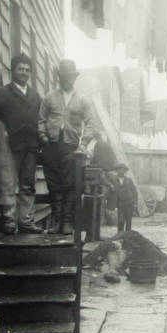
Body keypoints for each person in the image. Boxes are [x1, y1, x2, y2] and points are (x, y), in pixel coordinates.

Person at [38, 59, 97, 235]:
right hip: (52, 146)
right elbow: (41, 120)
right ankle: (56, 221)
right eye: (63, 76)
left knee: (70, 184)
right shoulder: (49, 97)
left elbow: (91, 123)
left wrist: (84, 143)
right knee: (54, 184)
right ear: (59, 77)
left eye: (69, 76)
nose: (66, 79)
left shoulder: (83, 100)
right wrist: (43, 137)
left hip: (71, 147)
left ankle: (67, 222)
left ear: (74, 77)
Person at [0, 54, 42, 234]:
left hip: (31, 147)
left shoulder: (35, 96)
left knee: (28, 184)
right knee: (9, 183)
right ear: (13, 71)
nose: (24, 73)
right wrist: (3, 135)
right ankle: (10, 221)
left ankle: (25, 221)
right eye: (21, 69)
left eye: (27, 70)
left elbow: (40, 120)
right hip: (11, 146)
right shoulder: (4, 93)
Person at [107, 163, 138, 233]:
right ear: (117, 170)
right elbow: (108, 191)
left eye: (123, 170)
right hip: (120, 204)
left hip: (129, 203)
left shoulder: (129, 180)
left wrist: (135, 203)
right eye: (120, 169)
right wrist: (109, 203)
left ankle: (128, 237)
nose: (121, 171)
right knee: (120, 221)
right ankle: (120, 236)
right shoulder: (113, 180)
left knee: (128, 221)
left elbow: (135, 191)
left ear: (125, 171)